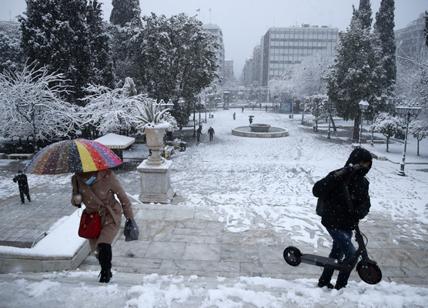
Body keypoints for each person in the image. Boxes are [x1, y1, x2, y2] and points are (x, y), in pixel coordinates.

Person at [312, 147, 372, 290]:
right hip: (332, 222)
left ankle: (324, 281)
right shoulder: (338, 175)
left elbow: (366, 203)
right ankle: (341, 286)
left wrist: (359, 212)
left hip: (348, 224)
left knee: (336, 253)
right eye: (362, 163)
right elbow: (317, 190)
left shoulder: (364, 183)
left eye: (368, 164)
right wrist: (334, 177)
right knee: (351, 254)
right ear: (354, 161)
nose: (365, 167)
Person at [71, 169, 135, 283]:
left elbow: (123, 197)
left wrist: (129, 217)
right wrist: (76, 199)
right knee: (97, 251)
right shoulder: (76, 178)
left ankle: (105, 273)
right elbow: (75, 200)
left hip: (110, 214)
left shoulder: (107, 175)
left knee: (103, 244)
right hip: (93, 218)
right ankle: (105, 268)